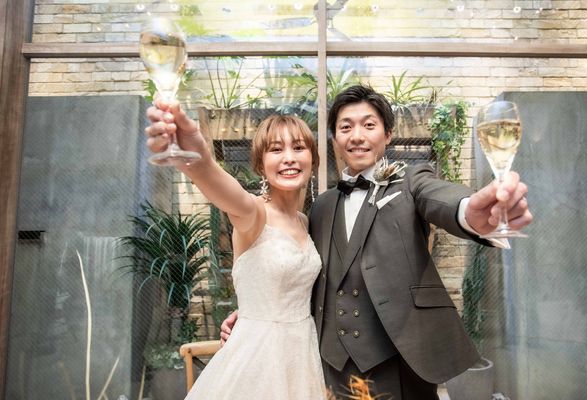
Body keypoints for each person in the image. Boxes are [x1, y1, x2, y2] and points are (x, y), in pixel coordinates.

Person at [221, 84, 533, 399]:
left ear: (388, 135)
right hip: (334, 367)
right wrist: (253, 315)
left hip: (403, 362)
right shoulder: (321, 207)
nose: (357, 136)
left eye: (369, 125)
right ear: (335, 139)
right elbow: (300, 273)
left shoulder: (411, 182)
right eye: (346, 127)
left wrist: (468, 212)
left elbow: (440, 197)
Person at [146, 100, 327, 399]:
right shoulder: (253, 213)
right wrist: (199, 160)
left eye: (298, 147)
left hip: (301, 356)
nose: (289, 158)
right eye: (276, 149)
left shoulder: (305, 221)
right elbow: (224, 189)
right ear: (260, 163)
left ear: (313, 158)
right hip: (258, 359)